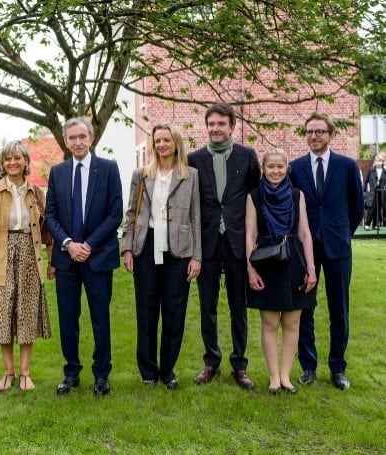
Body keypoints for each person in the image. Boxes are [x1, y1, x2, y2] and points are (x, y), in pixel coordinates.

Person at [45, 117, 123, 396]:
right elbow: (50, 215)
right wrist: (68, 243)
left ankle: (102, 374)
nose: (77, 142)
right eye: (72, 138)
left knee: (100, 316)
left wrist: (88, 244)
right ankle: (71, 372)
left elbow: (116, 214)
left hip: (98, 256)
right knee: (68, 317)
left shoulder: (109, 169)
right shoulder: (58, 172)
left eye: (82, 137)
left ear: (91, 138)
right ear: (66, 141)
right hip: (66, 258)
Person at [122, 124, 201, 390]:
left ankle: (167, 370)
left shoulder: (190, 175)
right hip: (146, 247)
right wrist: (127, 248)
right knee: (146, 312)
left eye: (167, 140)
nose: (162, 145)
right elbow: (131, 212)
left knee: (174, 313)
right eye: (158, 141)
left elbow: (196, 217)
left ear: (176, 143)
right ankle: (148, 371)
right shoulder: (142, 174)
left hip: (179, 251)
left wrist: (196, 256)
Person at [187, 103, 260, 390]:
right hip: (206, 242)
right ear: (206, 127)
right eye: (211, 124)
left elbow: (254, 199)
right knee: (208, 306)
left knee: (237, 306)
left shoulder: (247, 156)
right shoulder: (194, 159)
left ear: (231, 126)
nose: (215, 129)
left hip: (237, 242)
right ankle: (211, 361)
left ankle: (239, 364)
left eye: (221, 124)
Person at [289, 113, 364, 390]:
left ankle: (337, 367)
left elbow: (356, 207)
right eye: (309, 132)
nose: (314, 136)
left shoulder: (346, 165)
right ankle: (308, 366)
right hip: (305, 247)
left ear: (330, 134)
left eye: (320, 131)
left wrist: (343, 232)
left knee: (339, 309)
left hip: (337, 246)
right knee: (304, 307)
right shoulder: (295, 168)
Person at [0, 141, 53, 391]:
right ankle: (8, 372)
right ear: (2, 163)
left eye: (17, 158)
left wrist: (51, 262)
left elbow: (46, 231)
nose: (13, 163)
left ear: (26, 162)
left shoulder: (36, 193)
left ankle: (26, 372)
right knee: (4, 314)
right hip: (0, 256)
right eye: (8, 159)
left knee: (27, 313)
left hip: (30, 256)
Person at [245, 149, 317, 394]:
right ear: (263, 169)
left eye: (280, 166)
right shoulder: (254, 197)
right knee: (270, 321)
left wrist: (311, 267)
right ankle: (273, 376)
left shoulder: (298, 195)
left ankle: (286, 375)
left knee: (293, 320)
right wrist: (250, 268)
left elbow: (305, 233)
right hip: (266, 259)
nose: (275, 171)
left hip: (294, 258)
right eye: (270, 167)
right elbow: (250, 235)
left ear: (287, 168)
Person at [363, 153, 385, 230]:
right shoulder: (371, 170)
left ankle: (375, 224)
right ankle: (367, 223)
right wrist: (363, 190)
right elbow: (366, 181)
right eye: (377, 159)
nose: (378, 161)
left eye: (380, 160)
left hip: (381, 192)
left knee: (378, 208)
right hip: (372, 191)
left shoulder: (385, 171)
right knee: (372, 207)